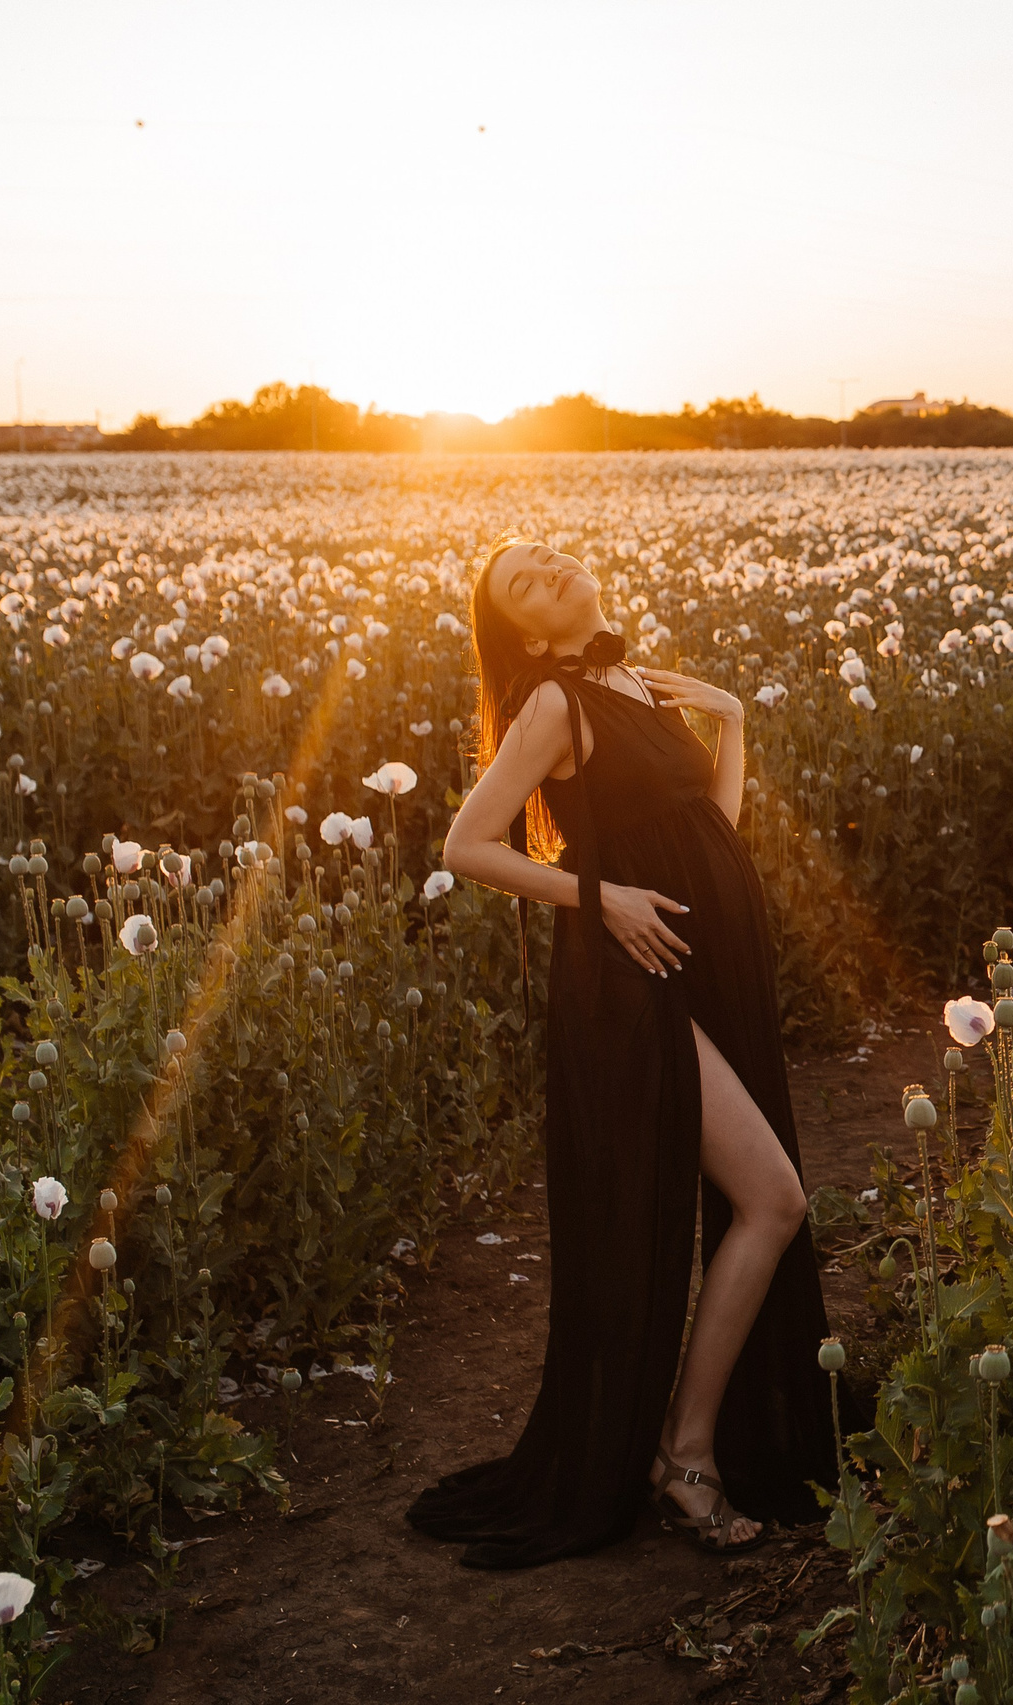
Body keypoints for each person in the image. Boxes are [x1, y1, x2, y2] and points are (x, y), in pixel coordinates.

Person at [405, 534, 835, 1568]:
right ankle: (684, 1456)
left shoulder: (635, 684)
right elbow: (468, 844)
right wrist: (601, 897)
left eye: (548, 555)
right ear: (523, 631)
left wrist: (728, 720)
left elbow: (707, 831)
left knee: (763, 1200)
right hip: (629, 987)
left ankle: (688, 1440)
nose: (547, 568)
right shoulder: (552, 705)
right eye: (522, 583)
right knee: (772, 1200)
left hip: (696, 965)